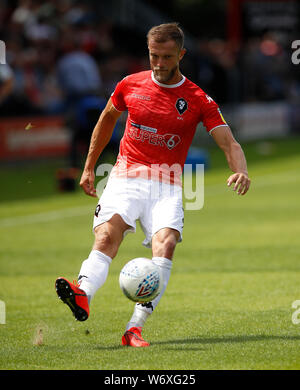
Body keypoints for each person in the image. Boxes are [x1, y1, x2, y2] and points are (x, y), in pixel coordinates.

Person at [55, 23, 251, 347]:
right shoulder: (129, 85)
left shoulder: (198, 98)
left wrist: (240, 170)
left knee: (167, 244)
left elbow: (229, 143)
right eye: (153, 56)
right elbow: (105, 121)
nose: (159, 63)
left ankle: (134, 328)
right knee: (106, 236)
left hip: (167, 184)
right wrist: (89, 167)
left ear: (181, 55)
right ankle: (83, 292)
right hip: (126, 176)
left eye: (167, 57)